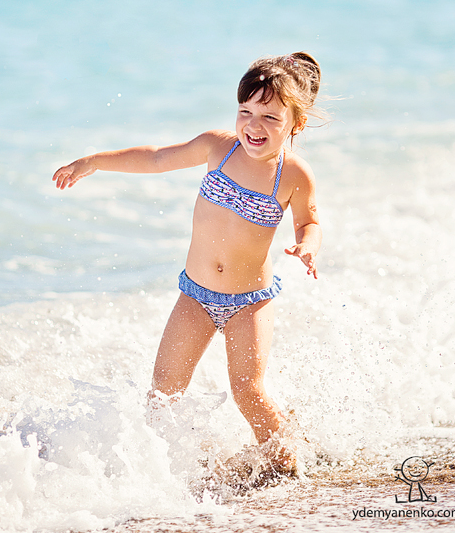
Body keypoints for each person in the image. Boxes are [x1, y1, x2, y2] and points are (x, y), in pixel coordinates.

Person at [52, 52, 323, 475]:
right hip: (195, 295)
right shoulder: (218, 147)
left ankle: (293, 466)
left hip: (250, 302)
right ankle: (170, 472)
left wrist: (307, 246)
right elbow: (157, 157)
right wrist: (94, 161)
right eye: (246, 111)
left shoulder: (293, 175)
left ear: (295, 123)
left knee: (248, 392)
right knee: (164, 390)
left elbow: (309, 221)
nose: (254, 125)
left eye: (270, 117)